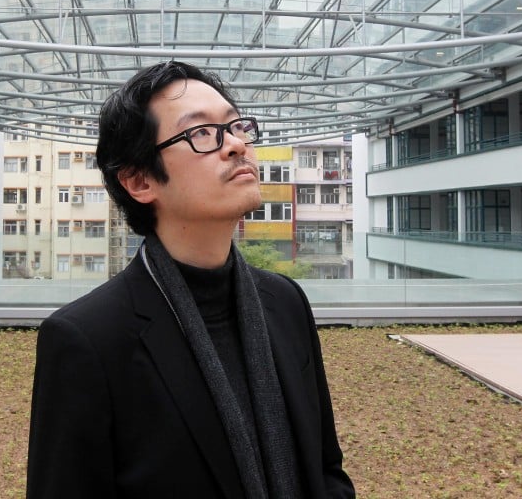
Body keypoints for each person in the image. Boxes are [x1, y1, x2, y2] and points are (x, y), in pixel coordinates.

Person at [26, 61, 355, 499]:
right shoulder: (87, 340)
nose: (237, 145)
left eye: (236, 126)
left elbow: (325, 470)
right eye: (202, 133)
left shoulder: (285, 301)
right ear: (140, 180)